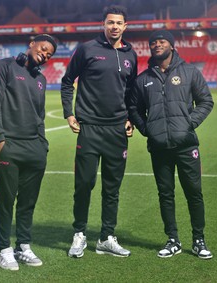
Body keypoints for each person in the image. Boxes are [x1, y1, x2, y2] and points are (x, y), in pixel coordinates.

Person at [128, 30, 214, 259]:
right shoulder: (143, 79)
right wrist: (147, 129)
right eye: (153, 42)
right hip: (158, 147)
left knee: (194, 193)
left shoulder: (189, 72)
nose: (157, 45)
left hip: (186, 145)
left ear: (172, 46)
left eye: (162, 41)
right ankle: (172, 239)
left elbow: (206, 101)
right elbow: (134, 109)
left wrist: (189, 123)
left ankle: (199, 240)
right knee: (165, 194)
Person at [60, 5, 137, 258]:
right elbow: (66, 81)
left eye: (119, 23)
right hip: (90, 128)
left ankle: (106, 237)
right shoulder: (87, 49)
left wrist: (130, 118)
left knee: (112, 188)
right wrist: (69, 113)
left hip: (117, 131)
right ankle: (79, 234)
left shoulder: (130, 54)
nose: (114, 26)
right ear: (103, 24)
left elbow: (131, 91)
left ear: (125, 26)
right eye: (110, 22)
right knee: (84, 184)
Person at [0, 34, 57, 270]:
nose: (45, 54)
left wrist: (42, 144)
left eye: (50, 54)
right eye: (44, 48)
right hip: (9, 146)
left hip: (35, 148)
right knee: (6, 200)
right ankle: (4, 250)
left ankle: (23, 246)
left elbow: (40, 115)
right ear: (32, 43)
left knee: (28, 202)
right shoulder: (3, 67)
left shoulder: (41, 79)